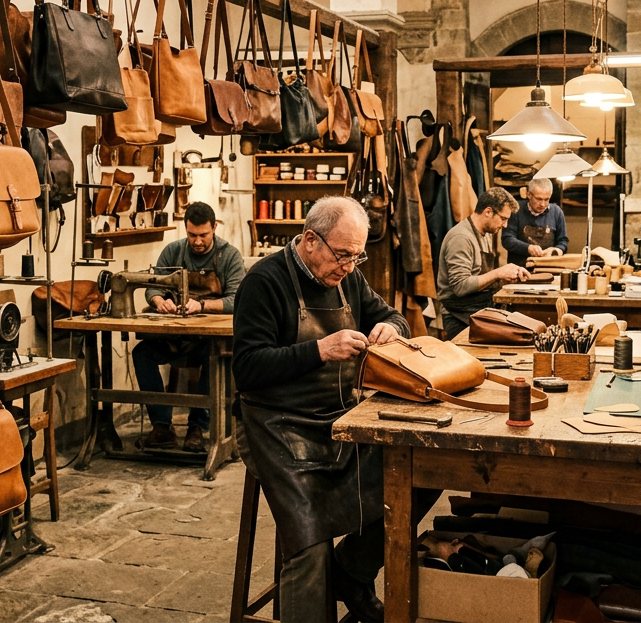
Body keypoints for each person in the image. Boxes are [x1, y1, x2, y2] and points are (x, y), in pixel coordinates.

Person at [233, 197, 433, 622]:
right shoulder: (264, 281)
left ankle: (351, 572)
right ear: (310, 240)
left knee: (418, 478)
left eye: (356, 256)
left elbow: (394, 316)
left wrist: (390, 327)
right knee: (310, 545)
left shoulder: (348, 278)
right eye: (342, 255)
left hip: (340, 420)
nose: (349, 266)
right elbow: (247, 368)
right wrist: (319, 350)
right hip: (277, 426)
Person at [134, 202, 246, 453]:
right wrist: (159, 301)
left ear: (214, 227)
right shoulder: (173, 251)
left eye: (203, 235)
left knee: (212, 356)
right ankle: (162, 426)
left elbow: (236, 299)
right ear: (185, 229)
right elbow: (152, 286)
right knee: (142, 353)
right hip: (175, 335)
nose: (197, 241)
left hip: (209, 339)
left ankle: (197, 426)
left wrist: (202, 305)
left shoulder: (229, 256)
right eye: (192, 235)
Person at [436, 186, 530, 339]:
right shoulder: (461, 238)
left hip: (478, 310)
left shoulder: (485, 234)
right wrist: (498, 273)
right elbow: (460, 287)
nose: (505, 225)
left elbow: (482, 276)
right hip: (459, 317)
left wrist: (506, 276)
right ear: (488, 212)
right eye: (503, 218)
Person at [500, 177, 569, 265]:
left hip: (549, 267)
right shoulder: (515, 210)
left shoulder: (557, 212)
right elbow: (507, 239)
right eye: (539, 199)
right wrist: (528, 248)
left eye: (546, 199)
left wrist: (556, 250)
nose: (542, 204)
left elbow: (563, 240)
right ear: (528, 194)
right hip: (519, 268)